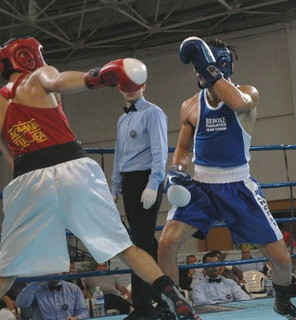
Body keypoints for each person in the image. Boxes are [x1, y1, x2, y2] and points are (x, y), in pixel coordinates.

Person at [0, 37, 198, 320]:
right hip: (71, 168)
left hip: (27, 180)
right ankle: (170, 294)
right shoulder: (37, 77)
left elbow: (10, 153)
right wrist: (97, 77)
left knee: (6, 269)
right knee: (124, 246)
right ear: (28, 57)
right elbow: (57, 81)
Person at [158, 36, 296, 320]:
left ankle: (282, 300)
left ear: (218, 66)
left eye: (203, 64)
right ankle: (173, 307)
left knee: (281, 259)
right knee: (166, 243)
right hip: (201, 186)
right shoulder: (190, 105)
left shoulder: (248, 93)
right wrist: (176, 171)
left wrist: (209, 65)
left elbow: (238, 104)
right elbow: (182, 149)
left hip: (238, 186)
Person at [111, 81, 168, 319]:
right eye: (125, 85)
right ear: (119, 88)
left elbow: (160, 151)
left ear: (144, 85)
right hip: (129, 182)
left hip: (146, 180)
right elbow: (118, 154)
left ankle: (143, 307)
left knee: (141, 243)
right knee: (146, 242)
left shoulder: (153, 112)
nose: (130, 89)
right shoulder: (122, 119)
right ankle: (165, 297)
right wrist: (114, 186)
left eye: (135, 85)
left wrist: (154, 183)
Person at [16, 280, 89, 320]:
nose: (56, 272)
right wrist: (36, 281)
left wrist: (76, 318)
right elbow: (21, 303)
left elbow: (84, 312)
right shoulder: (35, 288)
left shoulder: (74, 289)